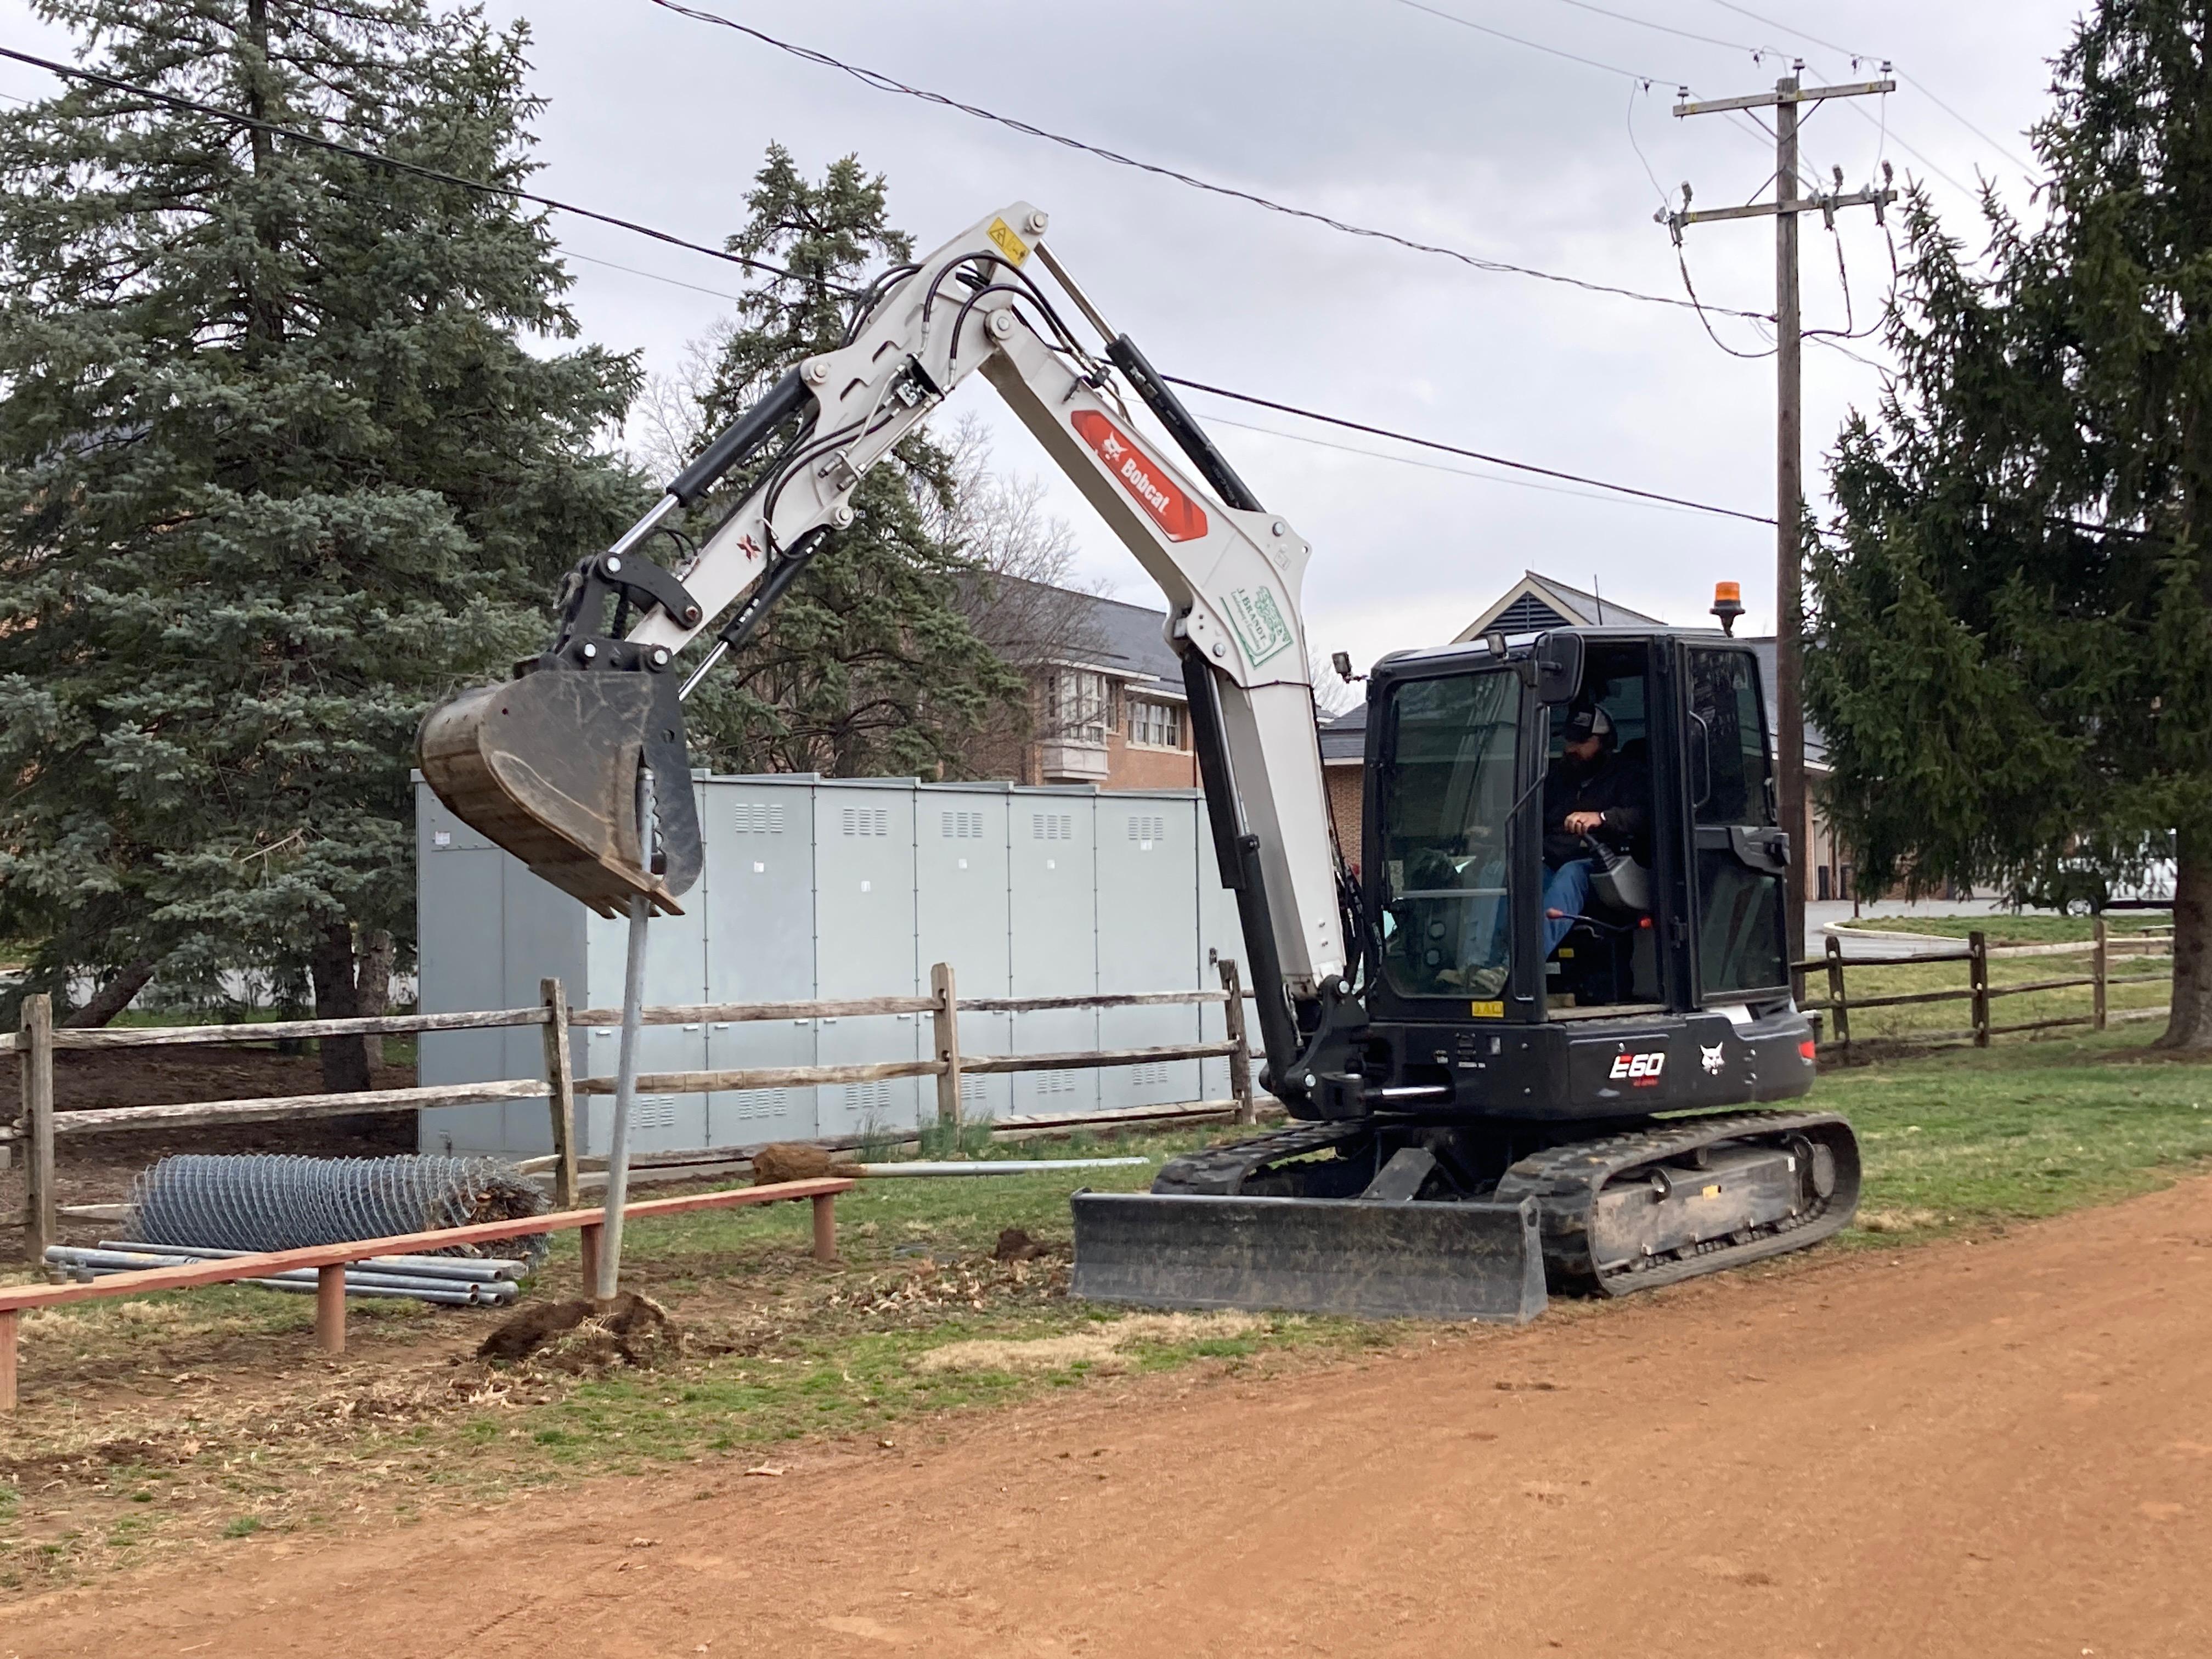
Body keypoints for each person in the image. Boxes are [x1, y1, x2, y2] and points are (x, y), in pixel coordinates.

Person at [1540, 704, 1649, 955]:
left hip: (1605, 865)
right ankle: (1486, 965)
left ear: (1605, 743)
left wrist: (1602, 818)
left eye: (1581, 741)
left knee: (1571, 873)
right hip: (1553, 860)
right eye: (1569, 741)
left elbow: (1645, 815)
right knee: (1510, 871)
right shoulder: (1558, 778)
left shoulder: (1629, 774)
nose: (1571, 749)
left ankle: (1526, 964)